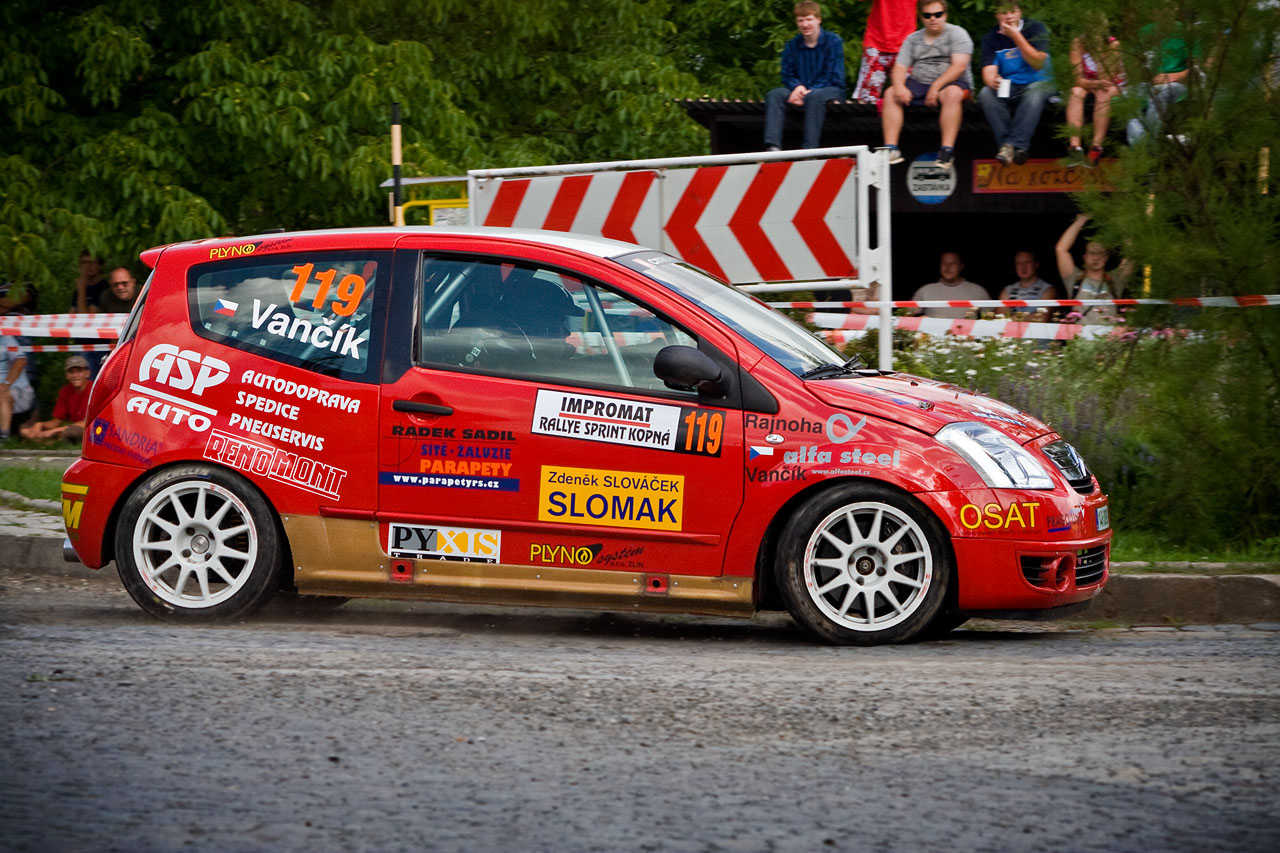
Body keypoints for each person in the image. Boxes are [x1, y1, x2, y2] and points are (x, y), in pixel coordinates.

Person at [879, 0, 973, 171]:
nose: (933, 19)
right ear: (921, 17)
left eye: (938, 14)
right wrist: (899, 86)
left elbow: (959, 66)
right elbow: (900, 67)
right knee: (891, 93)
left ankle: (946, 150)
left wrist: (936, 87)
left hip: (952, 82)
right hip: (919, 82)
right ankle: (891, 148)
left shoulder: (958, 34)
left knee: (952, 93)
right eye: (928, 15)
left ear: (945, 15)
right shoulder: (913, 39)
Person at [977, 2, 1053, 166]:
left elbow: (1037, 63)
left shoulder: (1036, 28)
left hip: (1040, 81)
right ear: (997, 14)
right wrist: (993, 79)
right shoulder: (991, 38)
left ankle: (1012, 145)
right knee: (985, 93)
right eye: (1004, 12)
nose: (1009, 16)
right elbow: (988, 72)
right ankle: (1011, 148)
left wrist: (1015, 36)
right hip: (1010, 86)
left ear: (1020, 12)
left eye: (1013, 11)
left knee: (1035, 91)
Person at [764, 2, 846, 151]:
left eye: (809, 19)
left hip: (830, 89)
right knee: (774, 95)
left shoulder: (833, 41)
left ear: (818, 19)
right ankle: (772, 146)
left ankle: (809, 149)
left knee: (813, 97)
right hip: (800, 90)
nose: (805, 24)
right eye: (801, 20)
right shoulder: (792, 45)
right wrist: (797, 87)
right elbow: (787, 73)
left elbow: (831, 74)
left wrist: (809, 91)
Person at [1065, 20, 1125, 167]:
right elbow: (1076, 79)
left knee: (1103, 93)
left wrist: (1097, 50)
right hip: (1089, 83)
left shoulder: (1113, 45)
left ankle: (1096, 147)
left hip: (1111, 83)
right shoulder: (1077, 44)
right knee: (1075, 92)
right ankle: (1075, 148)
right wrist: (1091, 84)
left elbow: (1106, 78)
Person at [1055, 213, 1133, 324]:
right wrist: (1080, 221)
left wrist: (1119, 223)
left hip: (1110, 339)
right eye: (1092, 253)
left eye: (1100, 253)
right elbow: (1061, 249)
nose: (1096, 257)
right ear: (1084, 257)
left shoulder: (1115, 280)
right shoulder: (1074, 278)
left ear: (1106, 257)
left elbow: (1132, 254)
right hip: (1080, 340)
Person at [1126, 23, 1191, 145]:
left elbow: (1196, 69)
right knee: (1126, 96)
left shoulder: (1185, 32)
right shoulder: (1145, 32)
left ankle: (1151, 143)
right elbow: (1133, 65)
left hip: (1176, 84)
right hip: (1148, 84)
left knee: (1160, 92)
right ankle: (1139, 148)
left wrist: (1172, 77)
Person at [852, 0, 918, 106]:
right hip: (876, 43)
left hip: (905, 45)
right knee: (866, 101)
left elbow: (931, 6)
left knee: (907, 97)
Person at [21, 355, 92, 443]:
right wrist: (40, 424)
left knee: (72, 432)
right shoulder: (65, 391)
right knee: (24, 430)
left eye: (79, 371)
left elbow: (89, 422)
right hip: (69, 428)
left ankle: (44, 439)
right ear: (67, 375)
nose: (75, 375)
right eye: (71, 372)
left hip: (91, 429)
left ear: (87, 373)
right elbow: (55, 422)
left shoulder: (95, 390)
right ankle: (44, 438)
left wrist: (54, 431)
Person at [910, 251, 989, 318]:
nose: (948, 267)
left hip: (966, 335)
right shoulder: (925, 290)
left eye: (953, 263)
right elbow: (906, 316)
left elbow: (992, 318)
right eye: (944, 263)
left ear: (961, 266)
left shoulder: (978, 291)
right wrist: (918, 320)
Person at [997, 249, 1057, 315]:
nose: (1023, 266)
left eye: (1027, 262)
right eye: (1019, 263)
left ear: (1036, 265)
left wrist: (1012, 317)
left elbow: (1041, 318)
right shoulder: (1007, 291)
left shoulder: (1048, 290)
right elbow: (1000, 317)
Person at [0, 335, 35, 440]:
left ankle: (4, 437)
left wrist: (5, 384)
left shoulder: (6, 339)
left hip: (19, 391)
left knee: (2, 393)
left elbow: (21, 361)